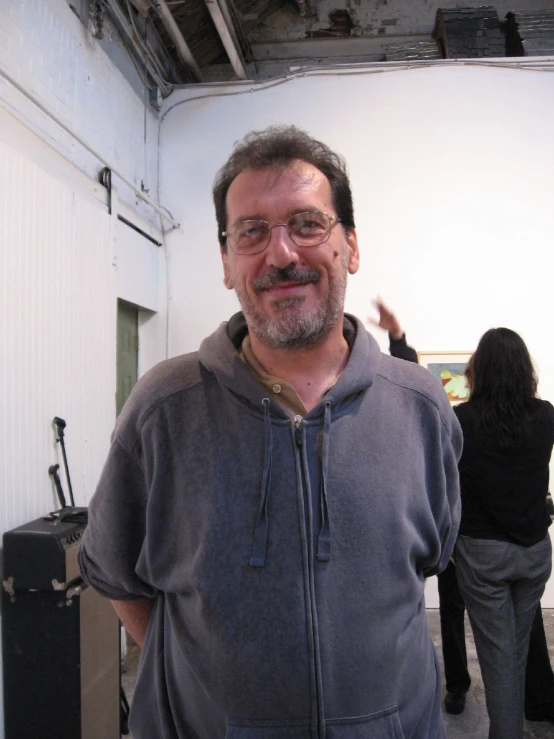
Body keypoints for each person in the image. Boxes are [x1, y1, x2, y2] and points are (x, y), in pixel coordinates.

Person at [79, 125, 462, 739]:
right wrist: (210, 692)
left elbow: (431, 557)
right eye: (252, 232)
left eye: (308, 225)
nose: (280, 254)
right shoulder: (164, 408)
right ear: (228, 263)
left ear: (351, 247)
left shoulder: (419, 406)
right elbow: (118, 575)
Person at [369, 299, 471, 714]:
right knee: (525, 624)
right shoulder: (543, 416)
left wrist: (399, 339)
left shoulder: (465, 419)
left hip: (465, 536)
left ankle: (458, 688)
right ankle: (537, 696)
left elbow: (415, 392)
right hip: (512, 544)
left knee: (450, 611)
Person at [454, 328, 554, 739]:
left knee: (501, 660)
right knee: (511, 655)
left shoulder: (463, 421)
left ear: (482, 368)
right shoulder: (546, 413)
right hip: (534, 554)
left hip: (485, 558)